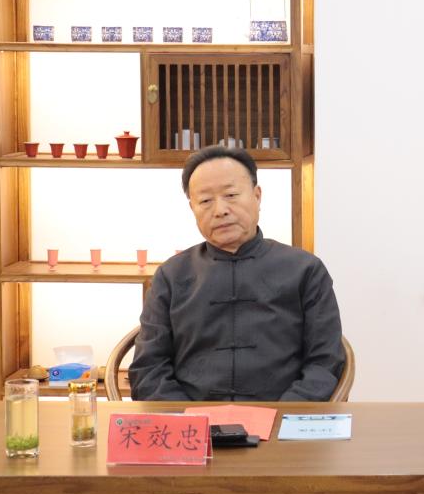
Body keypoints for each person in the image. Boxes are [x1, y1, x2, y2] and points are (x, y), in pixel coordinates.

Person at [129, 146, 345, 401]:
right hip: (193, 421)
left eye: (231, 195)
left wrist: (284, 416)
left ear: (257, 196)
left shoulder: (305, 270)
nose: (220, 210)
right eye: (205, 201)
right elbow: (149, 370)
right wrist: (189, 419)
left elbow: (325, 363)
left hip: (281, 418)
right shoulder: (171, 275)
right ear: (192, 208)